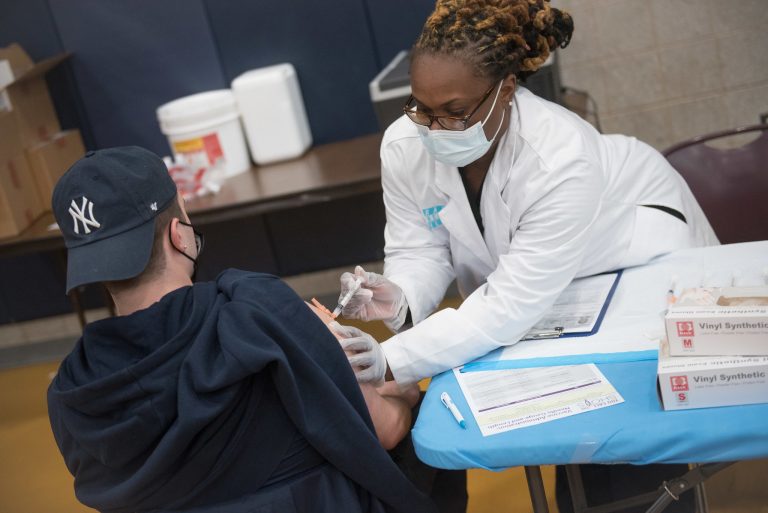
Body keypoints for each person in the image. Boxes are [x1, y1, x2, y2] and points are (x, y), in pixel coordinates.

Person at [332, 1, 715, 511]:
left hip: (634, 253)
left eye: (454, 112)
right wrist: (399, 296)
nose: (433, 128)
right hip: (540, 285)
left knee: (625, 435)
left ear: (505, 91)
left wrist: (390, 360)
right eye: (421, 108)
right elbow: (422, 244)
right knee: (570, 428)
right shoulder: (405, 145)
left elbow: (509, 305)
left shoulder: (560, 155)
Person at [46, 146, 437, 513]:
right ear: (178, 234)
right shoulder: (253, 314)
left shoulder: (73, 391)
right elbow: (381, 430)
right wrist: (402, 387)